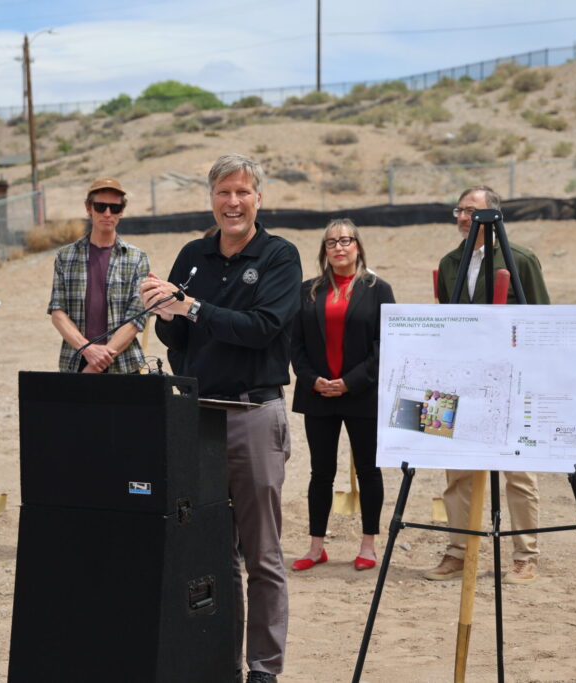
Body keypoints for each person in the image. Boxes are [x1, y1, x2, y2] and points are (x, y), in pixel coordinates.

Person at [140, 154, 301, 683]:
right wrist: (164, 310)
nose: (233, 202)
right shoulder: (193, 255)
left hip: (253, 414)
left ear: (259, 198)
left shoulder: (279, 256)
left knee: (262, 555)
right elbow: (178, 339)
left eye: (242, 192)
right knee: (213, 553)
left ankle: (264, 669)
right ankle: (222, 663)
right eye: (223, 192)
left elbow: (262, 327)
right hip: (198, 417)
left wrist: (192, 308)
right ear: (211, 198)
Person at [423, 185, 550, 585]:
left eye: (472, 211)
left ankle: (525, 555)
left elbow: (540, 318)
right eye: (459, 211)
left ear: (493, 216)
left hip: (511, 382)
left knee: (518, 471)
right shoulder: (449, 263)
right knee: (458, 473)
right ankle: (458, 551)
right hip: (461, 381)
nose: (464, 218)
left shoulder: (520, 260)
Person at [289, 219, 395, 573]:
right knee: (320, 473)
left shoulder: (378, 289)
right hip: (318, 393)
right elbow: (295, 344)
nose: (339, 247)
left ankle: (368, 545)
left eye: (346, 240)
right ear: (324, 250)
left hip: (362, 393)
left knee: (368, 470)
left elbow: (385, 344)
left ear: (358, 246)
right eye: (331, 242)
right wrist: (312, 380)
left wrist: (350, 382)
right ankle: (316, 547)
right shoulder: (308, 290)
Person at [47, 177, 150, 373]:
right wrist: (88, 350)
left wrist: (97, 362)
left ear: (122, 211)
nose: (107, 213)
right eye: (101, 206)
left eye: (115, 208)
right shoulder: (65, 257)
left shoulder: (137, 258)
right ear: (89, 208)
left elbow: (136, 317)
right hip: (76, 363)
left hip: (124, 366)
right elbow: (57, 312)